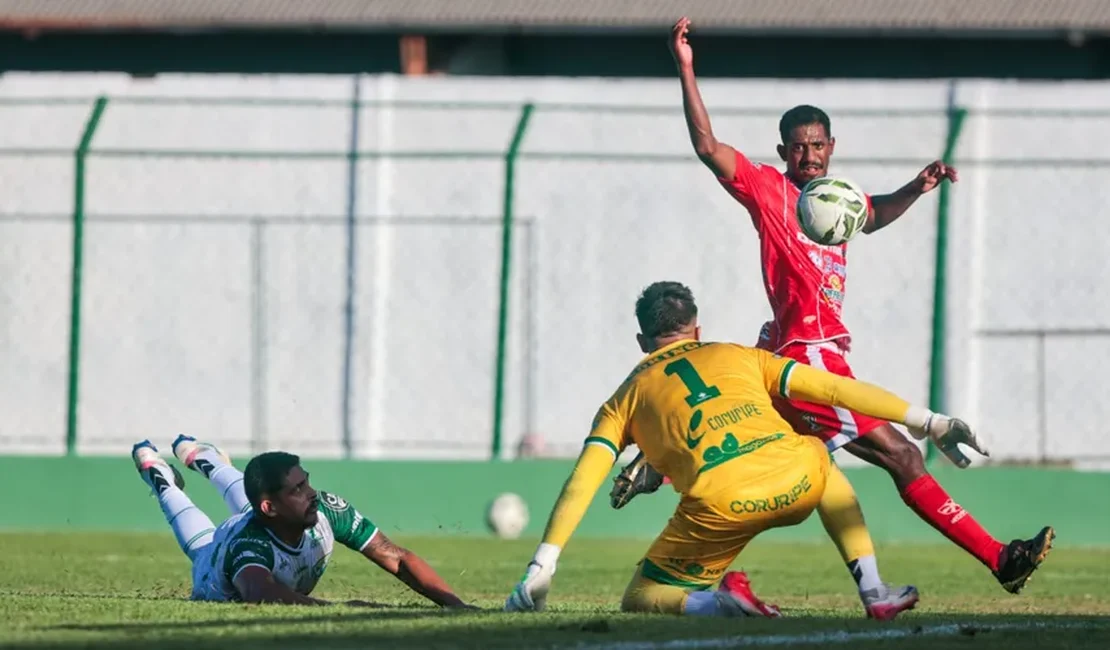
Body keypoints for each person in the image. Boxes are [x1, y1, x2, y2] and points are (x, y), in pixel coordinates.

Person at [610, 16, 1053, 605]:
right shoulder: (769, 190)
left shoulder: (835, 201)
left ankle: (666, 478)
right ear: (782, 151)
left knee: (771, 455)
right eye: (798, 146)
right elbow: (708, 148)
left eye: (818, 145)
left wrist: (915, 190)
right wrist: (686, 68)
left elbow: (871, 214)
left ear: (831, 147)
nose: (809, 155)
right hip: (807, 357)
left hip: (797, 353)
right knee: (900, 454)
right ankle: (999, 559)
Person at [505, 281, 994, 618]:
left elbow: (584, 479)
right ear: (696, 328)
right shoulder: (739, 355)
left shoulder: (623, 398)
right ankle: (874, 591)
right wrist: (928, 420)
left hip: (721, 505)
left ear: (641, 341)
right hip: (799, 483)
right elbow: (833, 390)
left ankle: (718, 604)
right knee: (815, 453)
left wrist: (542, 566)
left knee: (643, 596)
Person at [131, 435, 473, 607]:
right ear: (270, 508)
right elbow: (259, 592)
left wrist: (456, 606)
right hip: (217, 560)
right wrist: (341, 608)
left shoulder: (326, 510)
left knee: (252, 488)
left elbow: (395, 556)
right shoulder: (250, 546)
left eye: (306, 481)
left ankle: (203, 457)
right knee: (202, 546)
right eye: (299, 489)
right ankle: (160, 477)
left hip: (265, 514)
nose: (312, 492)